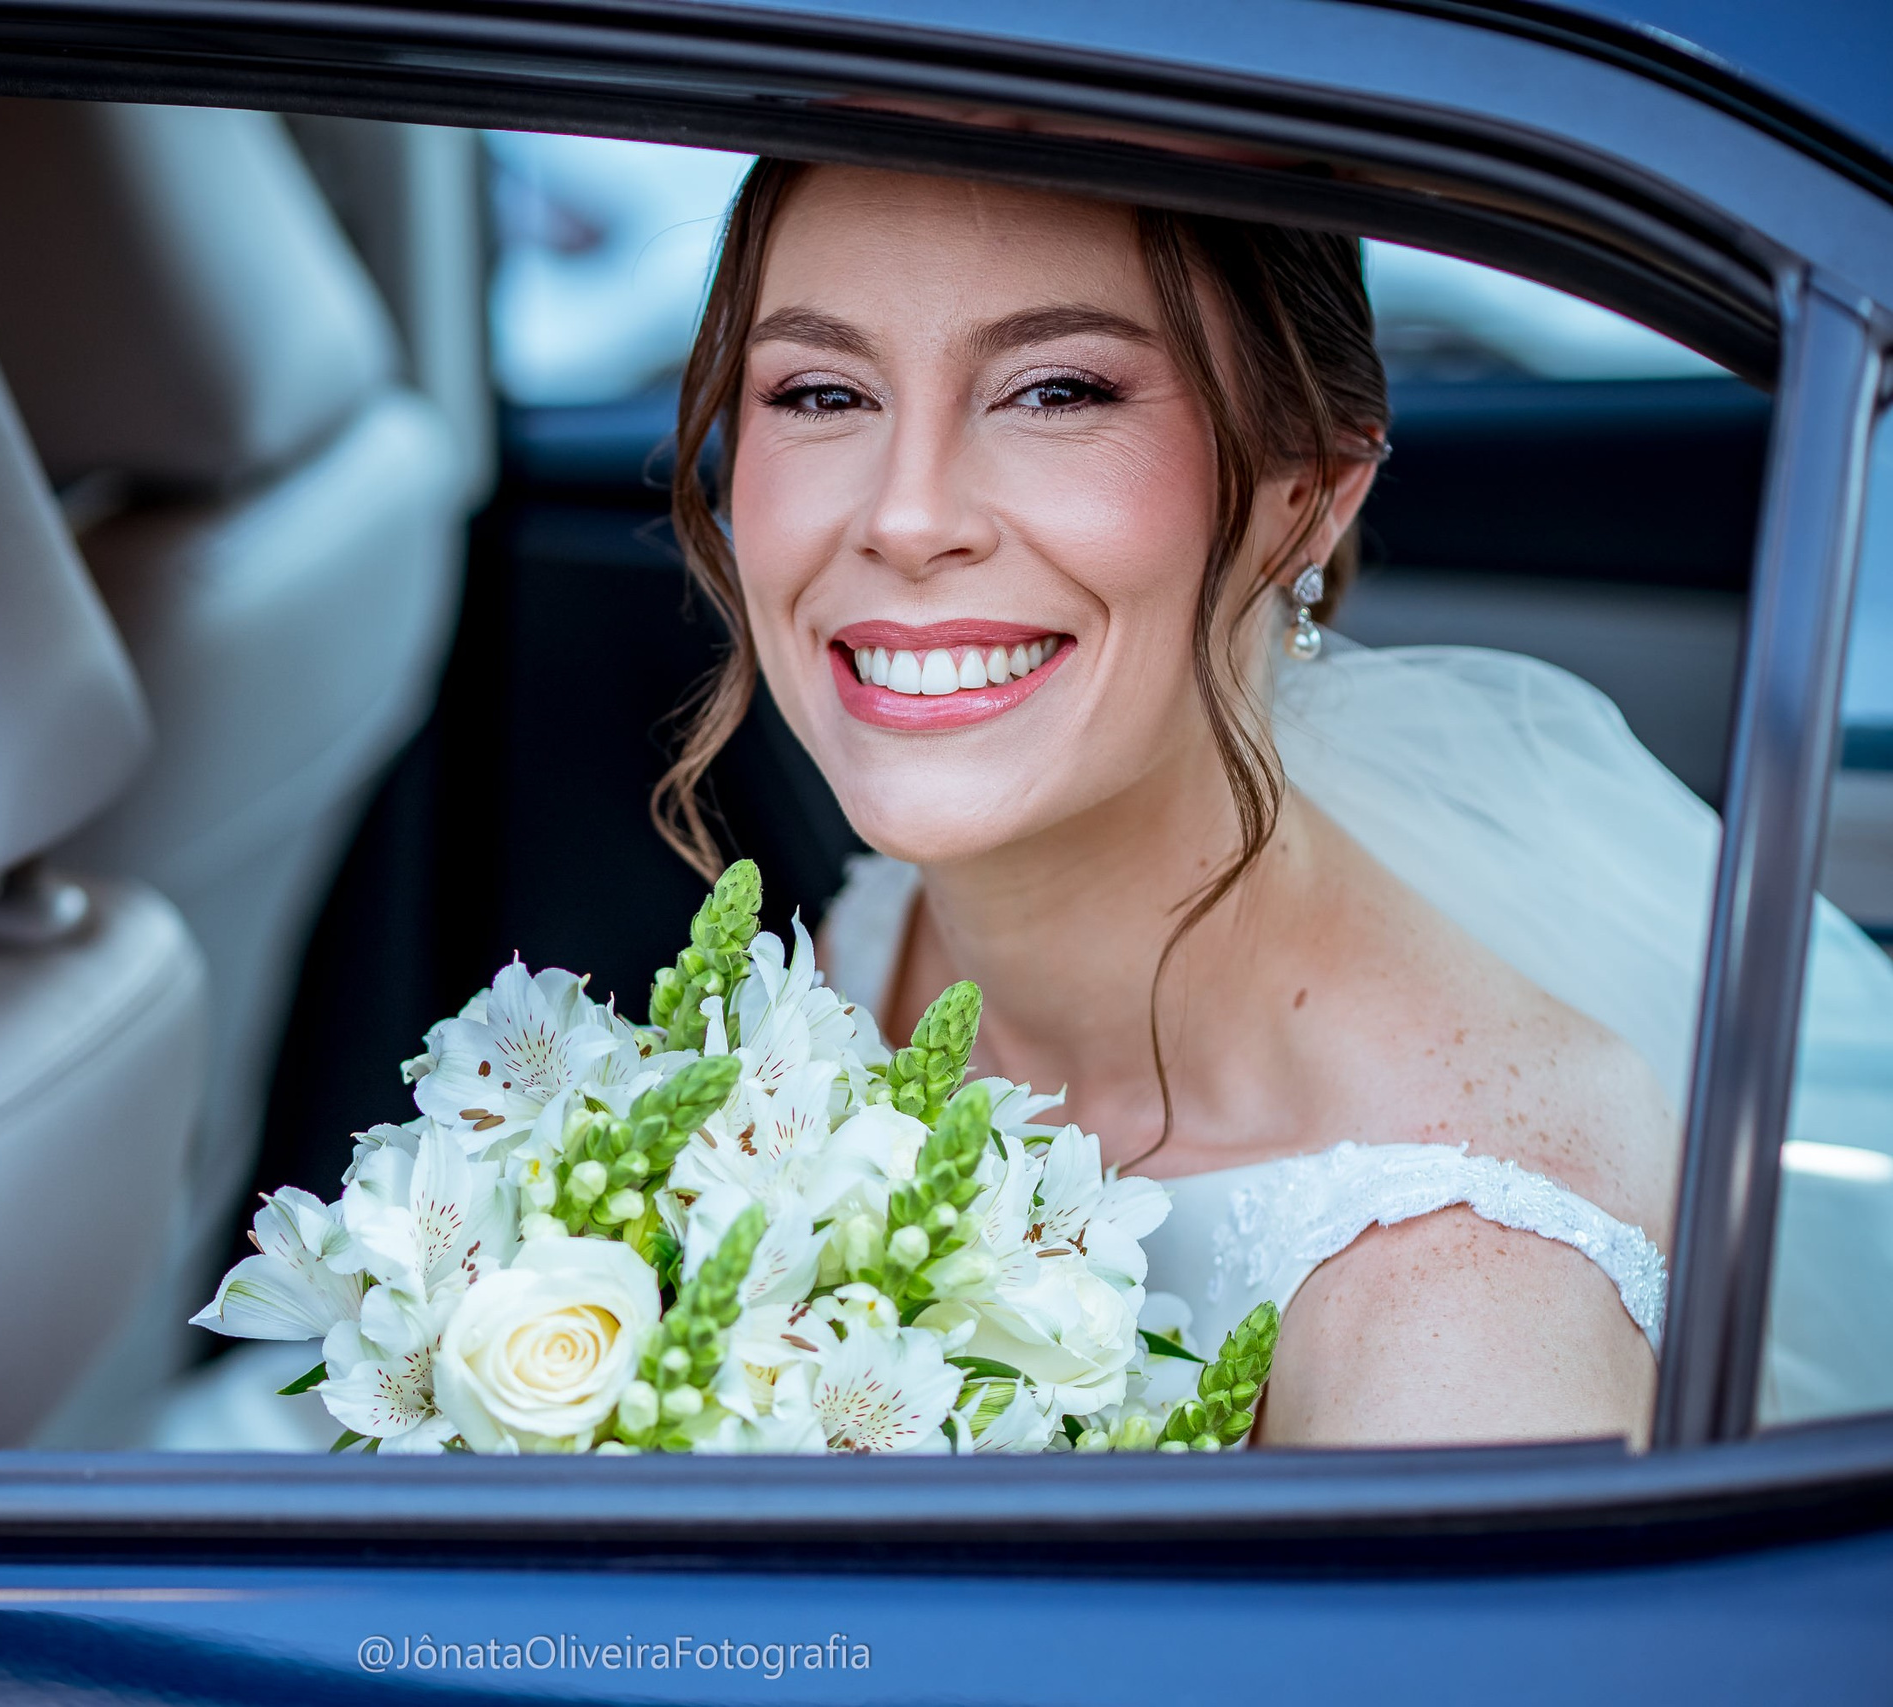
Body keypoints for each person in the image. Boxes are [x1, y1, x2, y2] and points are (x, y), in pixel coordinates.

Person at [652, 159, 1681, 1446]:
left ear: (1302, 492)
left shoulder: (1463, 1304)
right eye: (819, 392)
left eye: (1057, 391)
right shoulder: (892, 927)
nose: (905, 519)